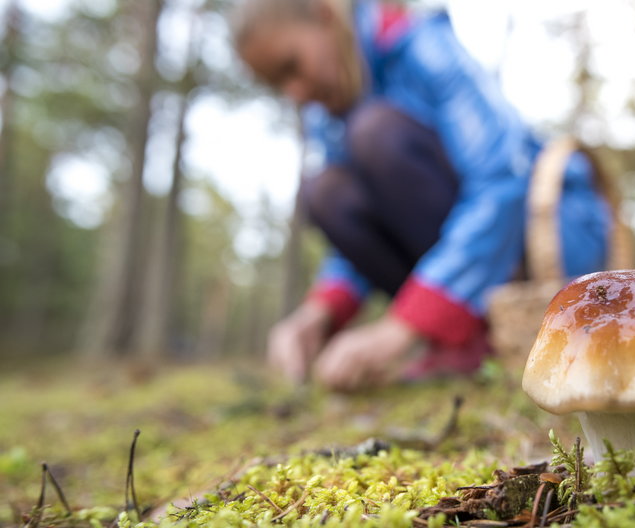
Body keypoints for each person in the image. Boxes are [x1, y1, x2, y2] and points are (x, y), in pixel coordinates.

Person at [232, 0, 613, 391]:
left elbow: (502, 180)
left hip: (545, 242)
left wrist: (402, 327)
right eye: (277, 85)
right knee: (324, 190)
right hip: (462, 256)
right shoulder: (331, 116)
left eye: (291, 66)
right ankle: (461, 337)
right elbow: (367, 221)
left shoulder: (423, 48)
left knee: (375, 134)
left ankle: (464, 327)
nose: (294, 93)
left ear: (325, 15)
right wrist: (321, 310)